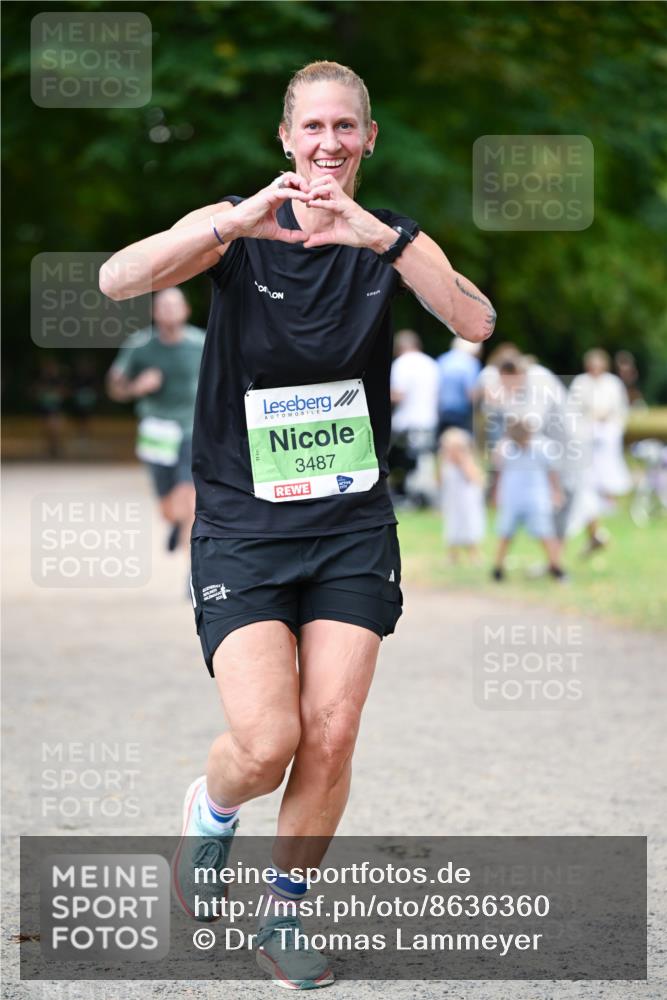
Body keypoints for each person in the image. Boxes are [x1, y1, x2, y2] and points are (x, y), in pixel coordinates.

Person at [100, 60, 494, 989]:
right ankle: (211, 813)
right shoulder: (234, 233)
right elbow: (120, 278)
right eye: (311, 128)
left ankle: (285, 917)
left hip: (351, 523)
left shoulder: (389, 237)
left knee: (331, 728)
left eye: (344, 129)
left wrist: (382, 242)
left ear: (367, 140)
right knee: (266, 741)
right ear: (285, 137)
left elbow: (473, 321)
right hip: (242, 523)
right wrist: (227, 222)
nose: (327, 145)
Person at [106, 287, 204, 552]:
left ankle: (191, 564)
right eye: (164, 306)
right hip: (156, 430)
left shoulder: (201, 343)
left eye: (175, 305)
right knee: (167, 504)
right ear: (154, 312)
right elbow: (115, 387)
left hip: (190, 429)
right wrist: (136, 387)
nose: (170, 310)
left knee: (189, 492)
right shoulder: (139, 345)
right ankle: (176, 522)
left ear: (186, 310)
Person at [568, 348, 632, 555]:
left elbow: (620, 409)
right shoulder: (581, 383)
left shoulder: (613, 383)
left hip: (607, 433)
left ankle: (606, 506)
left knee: (607, 470)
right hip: (587, 434)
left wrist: (607, 420)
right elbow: (572, 409)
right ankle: (595, 526)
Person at [492, 417, 566, 581]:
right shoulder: (504, 449)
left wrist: (556, 492)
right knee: (505, 534)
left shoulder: (542, 448)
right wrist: (497, 493)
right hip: (512, 498)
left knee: (545, 534)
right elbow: (499, 472)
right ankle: (497, 568)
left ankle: (557, 567)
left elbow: (552, 472)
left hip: (536, 497)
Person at [390, 329, 440, 507]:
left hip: (406, 422)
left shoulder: (402, 364)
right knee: (424, 459)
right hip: (429, 419)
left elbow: (398, 395)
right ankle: (425, 495)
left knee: (405, 462)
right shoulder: (431, 363)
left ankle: (410, 496)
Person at [438, 428, 486, 563]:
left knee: (469, 525)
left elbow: (475, 479)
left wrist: (462, 461)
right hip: (452, 500)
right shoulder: (446, 463)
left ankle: (474, 553)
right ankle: (452, 554)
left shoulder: (467, 461)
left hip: (467, 501)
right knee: (452, 526)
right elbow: (440, 481)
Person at [436, 336, 482, 435]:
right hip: (461, 413)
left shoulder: (442, 359)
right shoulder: (470, 363)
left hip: (441, 411)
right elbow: (471, 393)